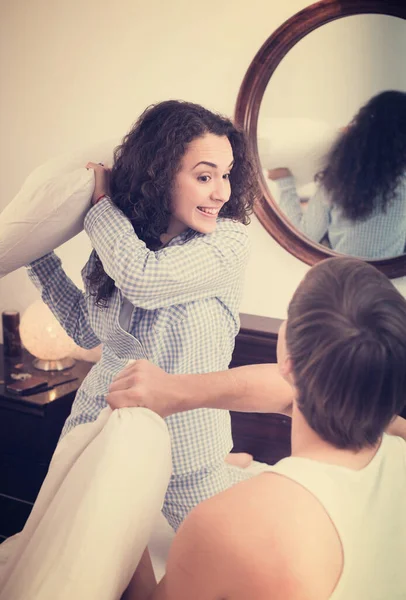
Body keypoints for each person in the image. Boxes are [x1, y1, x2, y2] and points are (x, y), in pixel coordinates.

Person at [26, 100, 265, 530]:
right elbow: (85, 328)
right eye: (205, 176)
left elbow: (146, 282)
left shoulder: (227, 244)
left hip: (186, 450)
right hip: (101, 431)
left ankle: (233, 466)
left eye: (226, 175)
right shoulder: (122, 245)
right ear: (158, 174)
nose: (221, 192)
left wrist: (100, 205)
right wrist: (35, 254)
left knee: (236, 559)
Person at [114, 256, 406, 599]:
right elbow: (287, 391)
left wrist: (119, 507)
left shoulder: (228, 523)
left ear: (288, 359)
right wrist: (175, 391)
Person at [268, 90, 406, 259]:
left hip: (343, 276)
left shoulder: (339, 181)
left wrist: (284, 182)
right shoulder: (402, 183)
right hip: (391, 279)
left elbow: (304, 236)